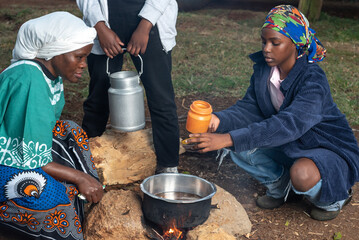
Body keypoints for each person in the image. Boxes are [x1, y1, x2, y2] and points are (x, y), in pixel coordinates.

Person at [185, 5, 359, 221]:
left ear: (295, 44)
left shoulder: (313, 80)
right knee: (239, 145)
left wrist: (227, 138)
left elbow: (289, 124)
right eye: (264, 41)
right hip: (291, 144)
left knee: (301, 174)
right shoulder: (264, 71)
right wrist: (219, 120)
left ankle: (334, 198)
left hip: (325, 147)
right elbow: (251, 107)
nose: (267, 48)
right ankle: (282, 186)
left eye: (275, 43)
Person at [0, 12, 104, 239]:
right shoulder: (29, 80)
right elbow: (31, 157)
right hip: (5, 159)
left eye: (85, 57)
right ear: (55, 52)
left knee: (70, 130)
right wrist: (78, 177)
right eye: (79, 57)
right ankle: (11, 214)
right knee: (50, 195)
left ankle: (87, 192)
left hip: (17, 147)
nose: (83, 65)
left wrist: (80, 177)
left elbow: (45, 130)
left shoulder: (49, 74)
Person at [76, 0, 180, 174]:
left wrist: (145, 26)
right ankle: (85, 161)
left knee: (161, 98)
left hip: (151, 22)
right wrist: (100, 27)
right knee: (98, 96)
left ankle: (168, 167)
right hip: (104, 19)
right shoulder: (101, 26)